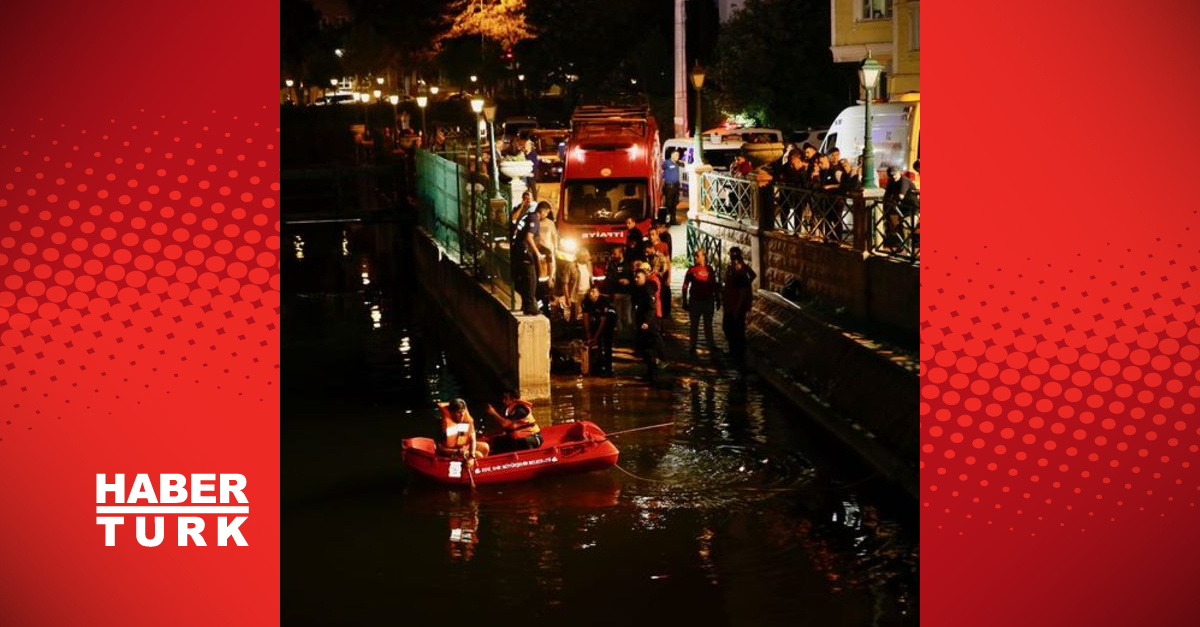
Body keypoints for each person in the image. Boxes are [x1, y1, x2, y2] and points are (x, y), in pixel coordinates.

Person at [512, 201, 549, 315]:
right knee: (531, 280)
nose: (546, 215)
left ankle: (525, 305)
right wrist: (537, 253)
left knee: (524, 280)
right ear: (542, 211)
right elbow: (529, 236)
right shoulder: (534, 219)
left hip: (517, 251)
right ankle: (530, 307)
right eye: (546, 213)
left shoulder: (526, 215)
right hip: (525, 252)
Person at [722, 247, 757, 364]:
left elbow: (742, 294)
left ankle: (738, 354)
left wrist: (737, 309)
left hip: (736, 307)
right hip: (730, 305)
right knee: (729, 328)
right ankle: (734, 352)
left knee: (737, 330)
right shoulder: (731, 271)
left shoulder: (741, 274)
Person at [681, 248, 719, 357]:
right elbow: (685, 285)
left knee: (708, 325)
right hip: (695, 301)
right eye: (695, 256)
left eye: (698, 255)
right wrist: (684, 300)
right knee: (694, 325)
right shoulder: (691, 270)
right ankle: (693, 345)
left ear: (704, 256)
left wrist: (717, 299)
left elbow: (713, 284)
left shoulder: (710, 269)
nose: (695, 258)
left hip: (708, 301)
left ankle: (711, 345)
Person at [631, 269, 661, 382]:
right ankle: (650, 372)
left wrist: (647, 322)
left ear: (644, 277)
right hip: (641, 321)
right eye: (635, 277)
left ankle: (653, 373)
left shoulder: (647, 290)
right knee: (644, 349)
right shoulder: (638, 289)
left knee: (649, 349)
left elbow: (651, 308)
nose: (636, 279)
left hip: (648, 324)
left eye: (638, 277)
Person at [581, 285, 617, 376]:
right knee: (597, 346)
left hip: (609, 320)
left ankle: (608, 368)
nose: (591, 294)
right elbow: (585, 317)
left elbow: (603, 321)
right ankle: (597, 366)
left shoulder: (603, 302)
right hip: (597, 320)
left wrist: (596, 337)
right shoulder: (586, 301)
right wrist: (589, 335)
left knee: (606, 344)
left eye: (594, 291)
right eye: (590, 291)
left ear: (598, 293)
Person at [605, 246, 634, 335]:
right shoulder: (611, 265)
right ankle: (620, 335)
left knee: (628, 316)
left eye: (615, 253)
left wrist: (629, 281)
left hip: (627, 294)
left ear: (621, 253)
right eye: (612, 253)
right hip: (616, 294)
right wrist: (618, 281)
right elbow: (608, 278)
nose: (613, 255)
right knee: (618, 316)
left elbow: (634, 277)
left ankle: (628, 335)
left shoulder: (629, 264)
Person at [569, 249, 593, 322]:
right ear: (582, 257)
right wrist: (567, 297)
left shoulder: (589, 265)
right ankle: (572, 330)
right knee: (574, 315)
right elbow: (565, 282)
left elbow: (590, 278)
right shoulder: (572, 265)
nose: (589, 258)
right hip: (576, 294)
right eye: (587, 256)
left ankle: (586, 330)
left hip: (587, 294)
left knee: (588, 314)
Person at [660, 149, 682, 225]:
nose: (677, 156)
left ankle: (673, 220)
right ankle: (667, 221)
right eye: (676, 155)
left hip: (676, 187)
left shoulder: (677, 164)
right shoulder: (667, 163)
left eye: (678, 155)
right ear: (672, 155)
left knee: (674, 204)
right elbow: (661, 168)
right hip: (669, 187)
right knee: (668, 205)